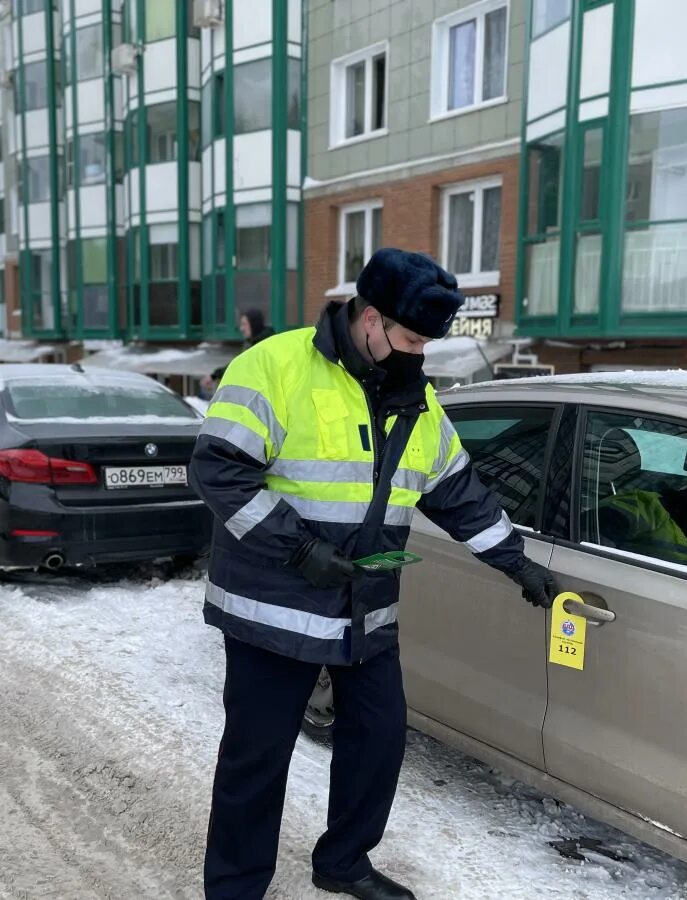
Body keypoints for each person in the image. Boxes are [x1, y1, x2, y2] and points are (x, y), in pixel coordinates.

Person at [190, 248, 557, 900]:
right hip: (271, 605)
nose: (418, 354)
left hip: (365, 603)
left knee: (379, 740)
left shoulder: (415, 398)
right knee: (258, 756)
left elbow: (456, 489)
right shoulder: (274, 368)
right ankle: (235, 887)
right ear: (369, 316)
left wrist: (516, 562)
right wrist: (297, 549)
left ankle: (344, 861)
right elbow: (218, 469)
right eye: (410, 337)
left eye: (427, 342)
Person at [200, 308, 275, 397]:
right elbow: (236, 363)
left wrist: (214, 376)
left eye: (244, 324)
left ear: (254, 324)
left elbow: (239, 366)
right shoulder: (251, 343)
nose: (241, 328)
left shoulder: (263, 345)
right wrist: (215, 375)